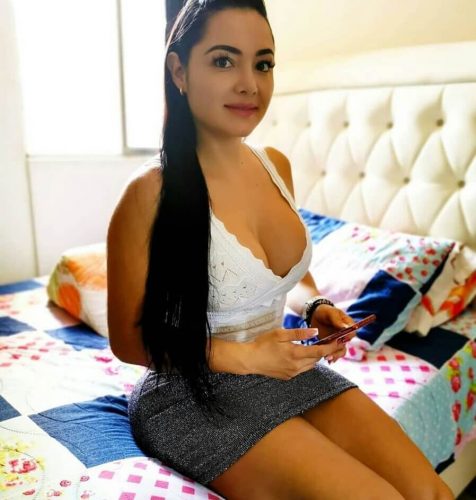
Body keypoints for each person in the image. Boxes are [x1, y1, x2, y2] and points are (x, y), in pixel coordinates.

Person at [106, 0, 455, 498]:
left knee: (431, 494)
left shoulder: (276, 166)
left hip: (282, 369)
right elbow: (127, 341)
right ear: (179, 70)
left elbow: (286, 279)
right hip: (190, 390)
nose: (250, 83)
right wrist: (247, 356)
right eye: (224, 61)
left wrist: (316, 307)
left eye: (263, 64)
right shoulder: (149, 194)